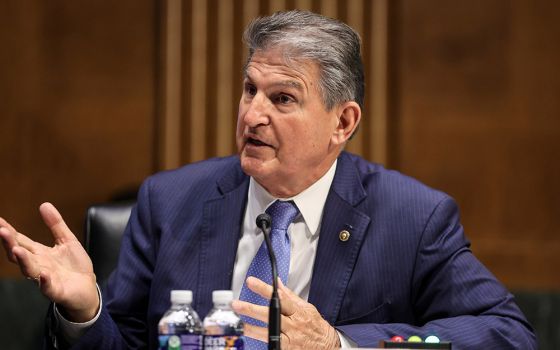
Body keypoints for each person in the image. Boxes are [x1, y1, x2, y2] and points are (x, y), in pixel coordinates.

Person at [0, 10, 536, 349]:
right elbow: (121, 343)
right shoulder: (169, 201)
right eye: (249, 90)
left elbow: (508, 334)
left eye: (282, 98)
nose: (252, 114)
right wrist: (84, 310)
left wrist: (337, 345)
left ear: (343, 122)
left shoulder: (413, 218)